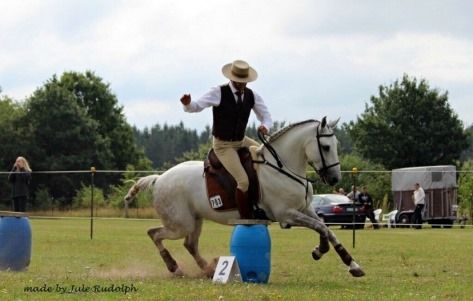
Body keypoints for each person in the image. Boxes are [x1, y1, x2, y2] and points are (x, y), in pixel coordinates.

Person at [180, 59, 272, 219]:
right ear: (232, 79)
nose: (242, 85)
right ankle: (246, 218)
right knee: (243, 181)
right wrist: (187, 104)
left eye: (244, 82)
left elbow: (266, 115)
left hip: (242, 141)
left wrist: (265, 126)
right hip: (223, 146)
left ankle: (262, 203)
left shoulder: (252, 95)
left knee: (267, 158)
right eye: (239, 82)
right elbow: (197, 106)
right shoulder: (218, 92)